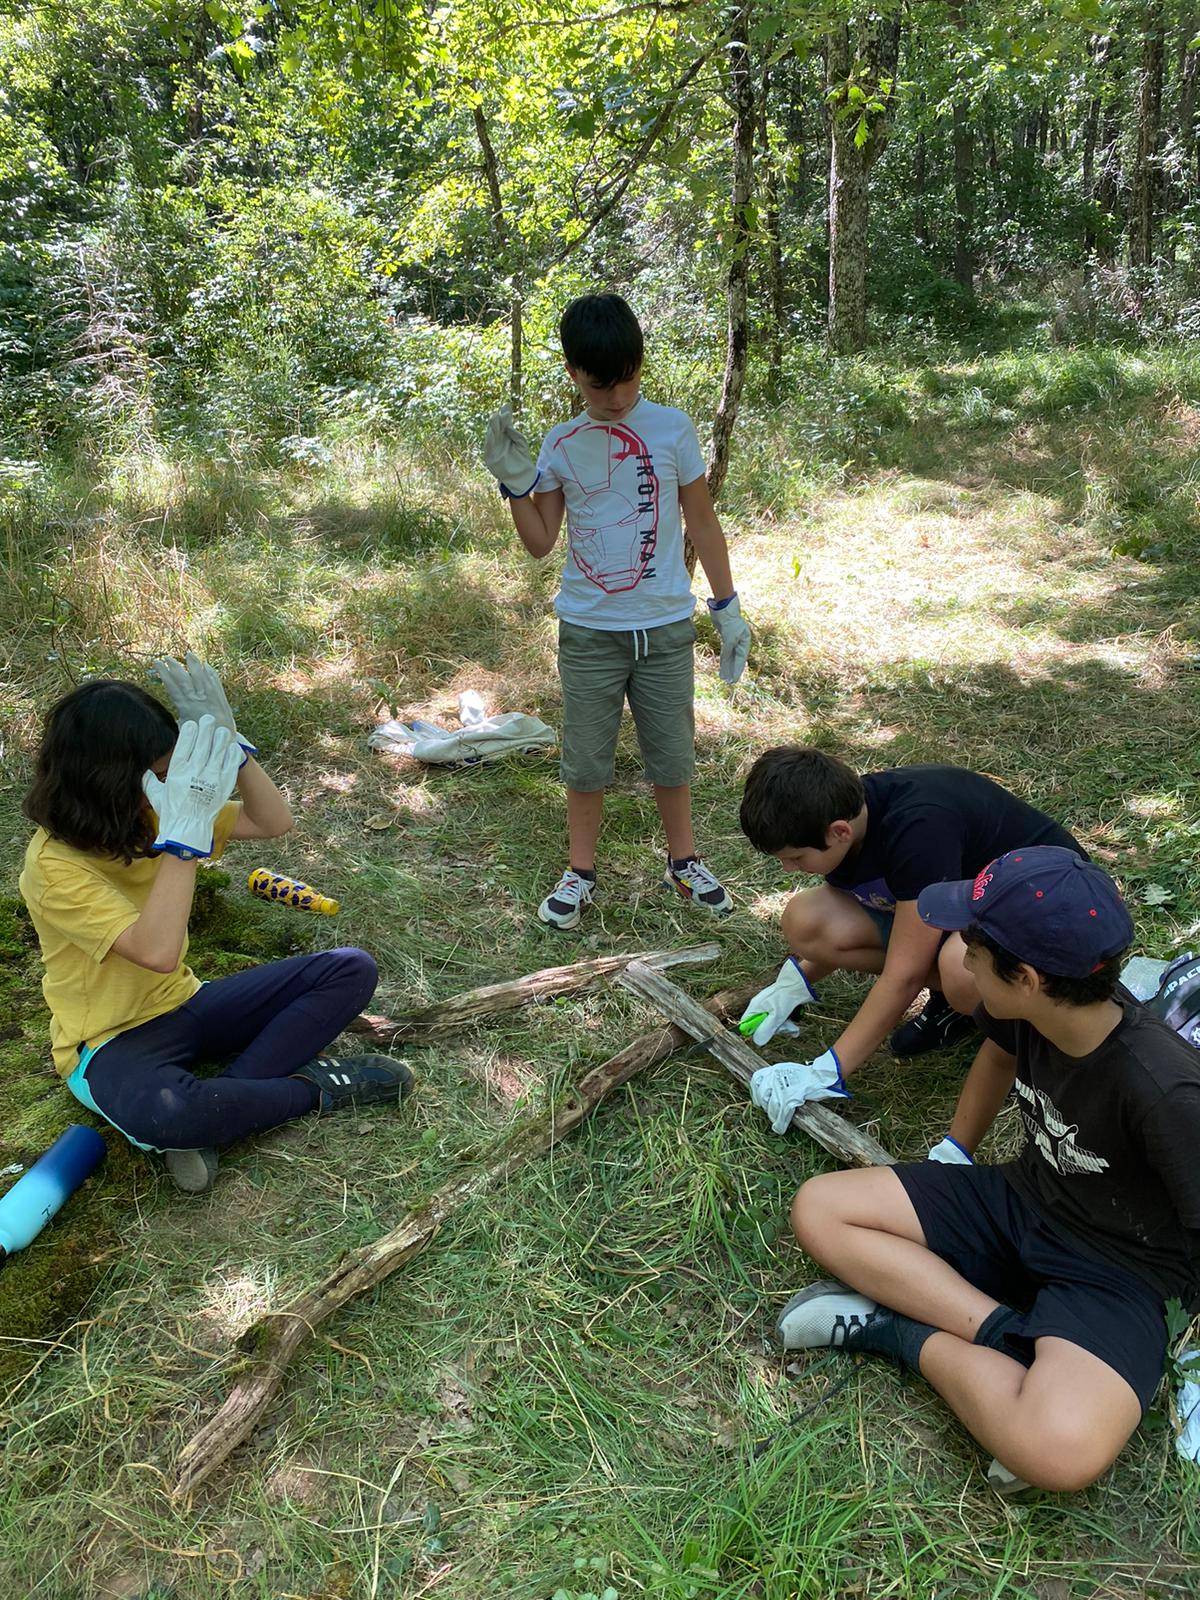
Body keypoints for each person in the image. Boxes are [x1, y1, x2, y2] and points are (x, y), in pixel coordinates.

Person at [772, 847, 1200, 1494]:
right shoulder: (1026, 1009)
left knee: (1058, 1454)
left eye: (973, 945)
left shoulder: (1166, 1092)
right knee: (821, 1209)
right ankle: (1000, 1335)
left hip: (1125, 1271)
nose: (961, 955)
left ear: (1025, 976)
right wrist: (955, 1150)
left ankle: (900, 1329)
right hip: (1024, 1201)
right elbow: (998, 1061)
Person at [19, 657, 413, 1194]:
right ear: (108, 781)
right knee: (173, 1113)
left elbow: (274, 821)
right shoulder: (53, 868)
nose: (170, 783)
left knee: (349, 969)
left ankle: (230, 1103)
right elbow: (158, 950)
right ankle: (311, 1090)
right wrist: (182, 840)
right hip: (107, 1042)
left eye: (170, 769)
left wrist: (234, 748)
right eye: (158, 774)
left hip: (185, 1004)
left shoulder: (153, 809)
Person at [483, 292, 751, 930]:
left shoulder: (671, 428)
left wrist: (727, 604)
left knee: (672, 751)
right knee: (586, 758)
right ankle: (580, 873)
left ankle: (683, 860)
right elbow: (540, 541)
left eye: (628, 376)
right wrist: (515, 485)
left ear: (640, 364)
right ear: (573, 373)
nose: (618, 394)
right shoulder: (562, 442)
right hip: (590, 630)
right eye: (601, 383)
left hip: (663, 625)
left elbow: (702, 521)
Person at [737, 749, 1086, 1129]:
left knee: (962, 972)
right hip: (965, 906)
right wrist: (795, 982)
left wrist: (828, 1070)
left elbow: (905, 973)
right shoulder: (839, 812)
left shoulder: (918, 829)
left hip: (1048, 910)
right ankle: (962, 1002)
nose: (789, 868)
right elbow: (886, 907)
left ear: (839, 831)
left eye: (797, 858)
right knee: (807, 921)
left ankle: (1026, 1026)